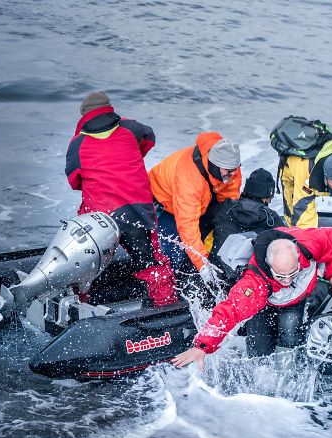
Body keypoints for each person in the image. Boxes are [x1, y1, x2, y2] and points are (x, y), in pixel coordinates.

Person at [171, 226, 332, 369]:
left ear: (298, 257)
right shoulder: (254, 282)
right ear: (270, 266)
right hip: (265, 298)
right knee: (258, 347)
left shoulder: (311, 243)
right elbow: (230, 310)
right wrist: (202, 346)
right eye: (281, 276)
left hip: (295, 299)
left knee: (290, 332)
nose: (287, 281)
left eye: (292, 274)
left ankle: (285, 377)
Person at [65, 91, 177, 307]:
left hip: (99, 216)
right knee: (150, 261)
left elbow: (74, 181)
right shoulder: (131, 127)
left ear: (83, 115)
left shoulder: (77, 144)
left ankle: (79, 304)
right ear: (109, 108)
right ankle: (165, 305)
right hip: (136, 211)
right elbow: (150, 138)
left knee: (88, 262)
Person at [147, 132, 242, 285]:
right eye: (227, 171)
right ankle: (169, 288)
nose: (232, 175)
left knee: (217, 230)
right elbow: (187, 224)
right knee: (172, 250)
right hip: (166, 203)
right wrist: (202, 264)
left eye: (234, 170)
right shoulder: (188, 181)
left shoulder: (229, 165)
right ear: (214, 165)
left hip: (204, 198)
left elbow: (229, 200)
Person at [209, 168, 285, 283]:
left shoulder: (224, 208)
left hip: (216, 274)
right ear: (267, 197)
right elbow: (286, 247)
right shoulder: (272, 218)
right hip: (248, 282)